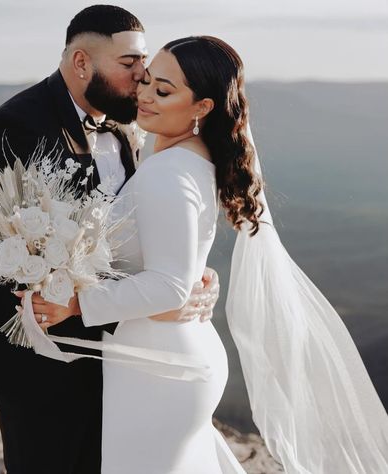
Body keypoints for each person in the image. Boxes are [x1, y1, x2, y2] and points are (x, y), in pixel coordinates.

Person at [29, 36, 388, 473]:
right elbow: (178, 267)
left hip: (159, 367)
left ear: (201, 108)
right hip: (163, 358)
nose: (143, 95)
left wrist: (76, 303)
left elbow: (170, 285)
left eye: (163, 91)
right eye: (145, 81)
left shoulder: (169, 173)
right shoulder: (188, 158)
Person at [0, 7, 219, 474]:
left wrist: (190, 274)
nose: (142, 76)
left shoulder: (124, 125)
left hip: (110, 345)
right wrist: (160, 297)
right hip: (35, 352)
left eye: (144, 62)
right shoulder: (21, 126)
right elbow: (10, 254)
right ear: (81, 63)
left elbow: (132, 229)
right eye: (129, 63)